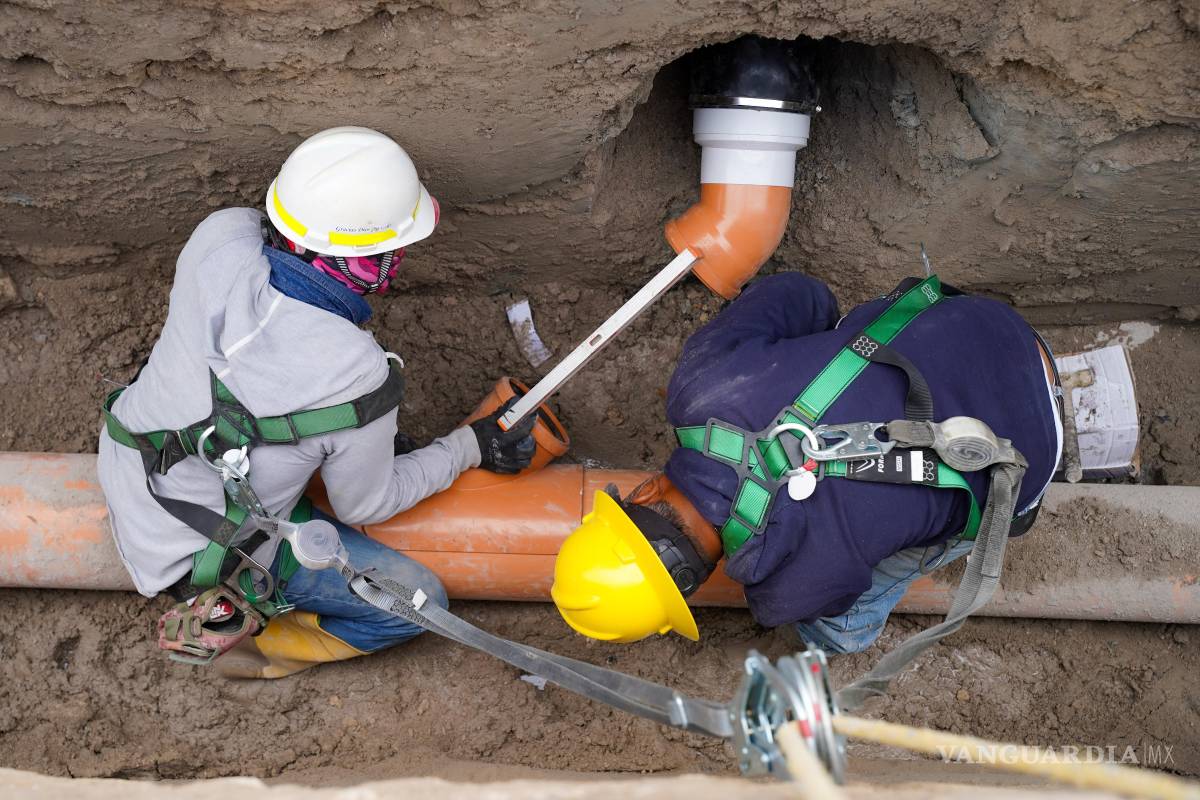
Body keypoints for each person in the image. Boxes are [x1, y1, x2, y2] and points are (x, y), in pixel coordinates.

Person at [98, 126, 535, 678]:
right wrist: (469, 447)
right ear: (371, 255)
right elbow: (366, 506)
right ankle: (264, 645)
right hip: (195, 548)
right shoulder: (357, 374)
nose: (399, 256)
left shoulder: (222, 234)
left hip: (130, 454)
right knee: (417, 604)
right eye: (394, 246)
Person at [551, 271, 1062, 652]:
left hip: (1026, 456)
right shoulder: (702, 387)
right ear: (640, 495)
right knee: (844, 336)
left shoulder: (787, 593)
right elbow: (804, 294)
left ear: (696, 584)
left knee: (835, 634)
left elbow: (828, 567)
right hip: (988, 325)